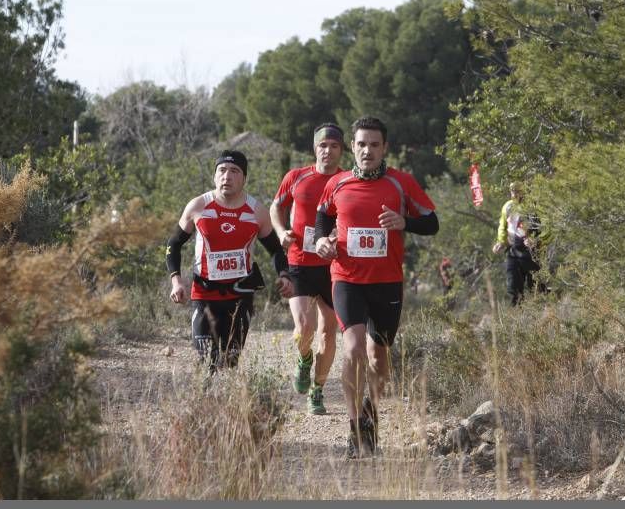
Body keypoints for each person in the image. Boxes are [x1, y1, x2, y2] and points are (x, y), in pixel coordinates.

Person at [314, 116, 439, 459]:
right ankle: (356, 428)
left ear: (384, 148)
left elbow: (432, 222)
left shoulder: (402, 183)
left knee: (378, 360)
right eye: (361, 144)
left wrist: (405, 222)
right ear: (352, 147)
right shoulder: (337, 183)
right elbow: (322, 217)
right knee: (353, 349)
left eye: (374, 144)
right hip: (347, 279)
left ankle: (370, 413)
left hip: (386, 283)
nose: (367, 150)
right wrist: (322, 241)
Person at [166, 150, 293, 373]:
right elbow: (173, 244)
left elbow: (276, 251)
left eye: (234, 171)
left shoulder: (256, 212)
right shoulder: (198, 206)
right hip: (204, 293)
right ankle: (206, 404)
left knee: (231, 362)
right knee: (208, 361)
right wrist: (176, 281)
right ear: (214, 176)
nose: (227, 176)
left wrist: (284, 275)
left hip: (240, 295)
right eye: (222, 171)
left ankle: (230, 405)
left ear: (244, 178)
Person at [270, 123, 344, 414]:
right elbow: (276, 207)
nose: (328, 151)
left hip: (333, 266)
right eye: (323, 145)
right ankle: (303, 361)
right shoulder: (296, 177)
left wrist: (338, 234)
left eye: (334, 146)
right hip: (300, 261)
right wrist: (280, 231)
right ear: (315, 148)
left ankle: (318, 389)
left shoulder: (346, 180)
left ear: (341, 150)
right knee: (305, 328)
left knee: (328, 333)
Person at [492, 181, 540, 306]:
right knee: (513, 286)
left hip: (531, 252)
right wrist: (501, 242)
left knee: (535, 286)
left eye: (517, 190)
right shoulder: (507, 206)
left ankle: (543, 313)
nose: (514, 193)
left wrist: (535, 240)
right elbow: (503, 226)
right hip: (512, 250)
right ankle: (517, 315)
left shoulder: (533, 206)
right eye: (512, 190)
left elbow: (544, 228)